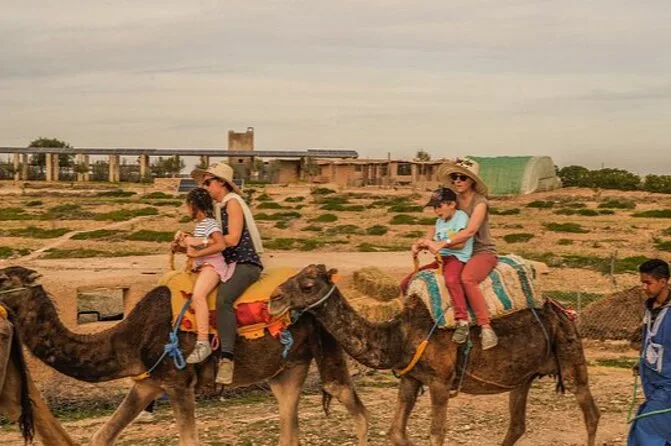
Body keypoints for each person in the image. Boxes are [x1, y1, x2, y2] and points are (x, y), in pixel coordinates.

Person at [190, 163, 264, 385]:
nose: (205, 187)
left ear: (221, 182)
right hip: (228, 262)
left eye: (208, 182)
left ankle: (227, 358)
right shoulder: (218, 208)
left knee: (223, 300)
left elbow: (231, 239)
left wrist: (201, 244)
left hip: (244, 263)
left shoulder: (232, 203)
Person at [426, 158, 498, 350]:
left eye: (462, 177)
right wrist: (426, 240)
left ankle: (485, 326)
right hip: (457, 252)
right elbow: (439, 223)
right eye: (454, 177)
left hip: (480, 251)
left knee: (467, 279)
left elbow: (470, 231)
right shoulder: (454, 201)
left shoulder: (480, 203)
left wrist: (444, 243)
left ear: (472, 180)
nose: (457, 181)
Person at [401, 187, 474, 344]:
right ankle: (408, 315)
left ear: (452, 204)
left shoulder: (461, 217)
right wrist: (419, 245)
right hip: (441, 260)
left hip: (456, 258)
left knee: (451, 280)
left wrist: (436, 244)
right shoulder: (439, 222)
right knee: (407, 281)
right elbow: (430, 239)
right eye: (434, 207)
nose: (436, 211)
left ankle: (462, 321)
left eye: (439, 206)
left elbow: (460, 244)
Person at [178, 187, 233, 364]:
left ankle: (203, 342)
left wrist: (196, 251)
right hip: (203, 266)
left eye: (188, 206)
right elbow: (203, 245)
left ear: (194, 205)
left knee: (198, 296)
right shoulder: (201, 225)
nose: (187, 210)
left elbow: (220, 244)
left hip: (212, 266)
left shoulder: (209, 223)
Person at [628, 259, 671, 446]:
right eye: (642, 282)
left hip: (668, 385)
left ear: (663, 282)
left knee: (645, 427)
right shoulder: (649, 308)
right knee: (663, 431)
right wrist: (642, 361)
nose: (644, 287)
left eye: (648, 283)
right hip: (651, 380)